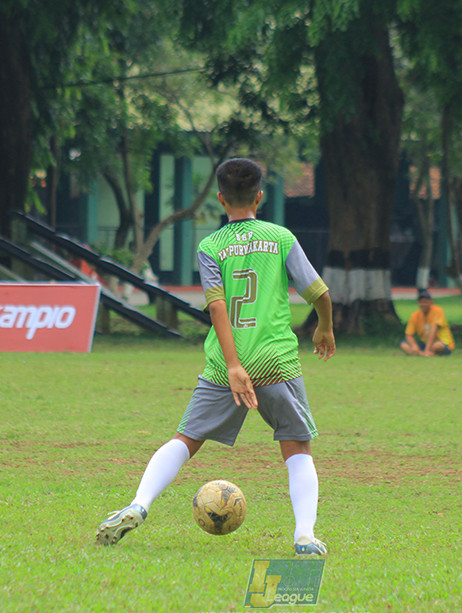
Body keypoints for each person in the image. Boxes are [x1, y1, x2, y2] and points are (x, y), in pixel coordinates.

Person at [96, 158, 336, 556]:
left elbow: (218, 307)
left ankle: (139, 503)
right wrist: (324, 326)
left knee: (185, 439)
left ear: (221, 200)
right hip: (275, 360)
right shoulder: (280, 237)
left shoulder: (211, 246)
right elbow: (320, 293)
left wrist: (233, 366)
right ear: (260, 196)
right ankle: (305, 536)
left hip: (224, 364)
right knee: (297, 448)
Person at [399, 289, 454, 357]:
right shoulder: (415, 315)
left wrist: (427, 349)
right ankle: (422, 353)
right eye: (421, 302)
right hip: (424, 343)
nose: (423, 304)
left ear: (431, 302)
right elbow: (409, 335)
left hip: (441, 342)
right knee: (404, 345)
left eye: (425, 302)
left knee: (436, 346)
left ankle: (425, 352)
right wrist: (414, 346)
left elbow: (433, 332)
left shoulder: (437, 311)